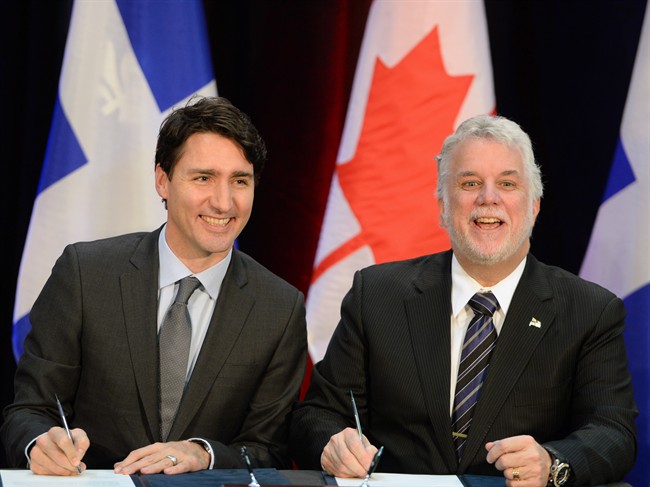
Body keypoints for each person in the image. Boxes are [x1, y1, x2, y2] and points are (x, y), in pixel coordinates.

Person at [290, 114, 638, 486]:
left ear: (534, 206)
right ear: (442, 206)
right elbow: (318, 414)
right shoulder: (376, 294)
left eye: (507, 183)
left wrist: (552, 462)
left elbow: (613, 432)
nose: (488, 198)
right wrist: (333, 444)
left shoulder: (590, 311)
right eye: (470, 183)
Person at [2, 96, 308, 476]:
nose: (223, 202)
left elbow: (268, 451)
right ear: (163, 180)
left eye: (240, 181)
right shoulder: (85, 274)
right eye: (203, 178)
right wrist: (39, 445)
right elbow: (30, 411)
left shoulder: (279, 307)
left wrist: (204, 453)